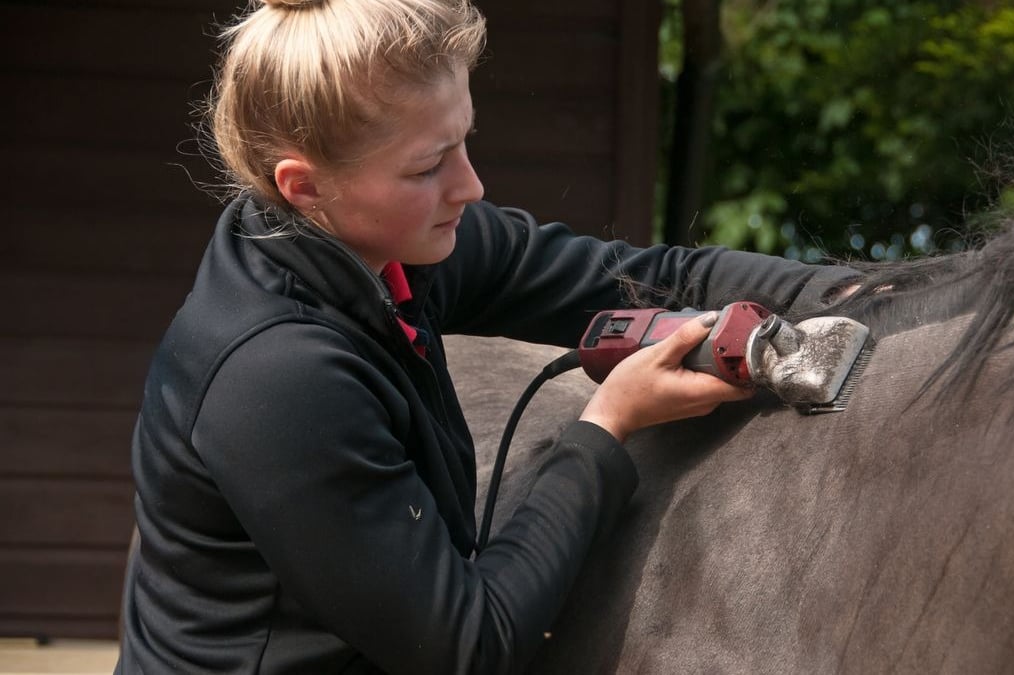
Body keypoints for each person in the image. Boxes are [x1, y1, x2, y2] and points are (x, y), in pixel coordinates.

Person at [116, 0, 860, 672]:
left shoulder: (385, 248)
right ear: (303, 185)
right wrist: (607, 426)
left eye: (463, 142)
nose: (469, 185)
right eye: (429, 165)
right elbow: (468, 646)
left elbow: (634, 275)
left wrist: (843, 291)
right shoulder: (275, 379)